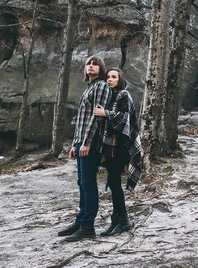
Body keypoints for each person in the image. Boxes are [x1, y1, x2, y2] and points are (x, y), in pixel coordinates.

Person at [58, 55, 112, 242]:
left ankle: (88, 227)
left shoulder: (101, 86)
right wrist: (75, 143)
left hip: (92, 142)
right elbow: (81, 120)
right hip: (81, 141)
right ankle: (80, 221)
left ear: (101, 68)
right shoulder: (89, 87)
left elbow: (97, 117)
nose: (91, 66)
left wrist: (87, 142)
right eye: (88, 63)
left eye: (95, 64)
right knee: (82, 182)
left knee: (88, 183)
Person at [93, 68, 143, 236]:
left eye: (113, 77)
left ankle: (123, 220)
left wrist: (105, 113)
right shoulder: (109, 97)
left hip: (121, 147)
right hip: (109, 148)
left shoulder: (123, 95)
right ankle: (117, 219)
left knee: (115, 184)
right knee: (113, 184)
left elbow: (125, 118)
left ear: (120, 79)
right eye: (108, 77)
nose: (109, 79)